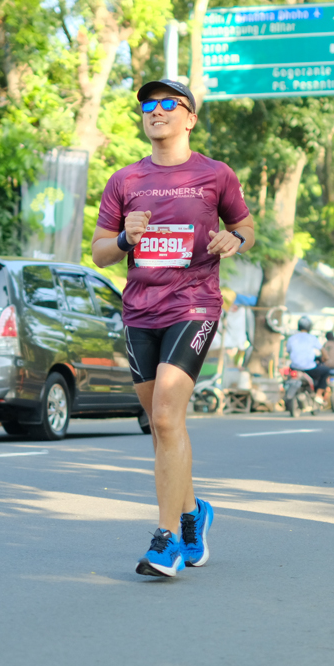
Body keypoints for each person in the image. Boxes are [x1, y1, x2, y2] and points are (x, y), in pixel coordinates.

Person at [92, 79, 254, 578]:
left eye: (168, 103)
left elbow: (245, 227)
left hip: (194, 304)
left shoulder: (215, 174)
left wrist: (234, 240)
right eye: (148, 104)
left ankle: (166, 542)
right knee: (161, 425)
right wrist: (125, 238)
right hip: (140, 311)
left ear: (190, 118)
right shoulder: (124, 180)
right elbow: (99, 252)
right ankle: (192, 513)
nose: (155, 110)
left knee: (165, 414)